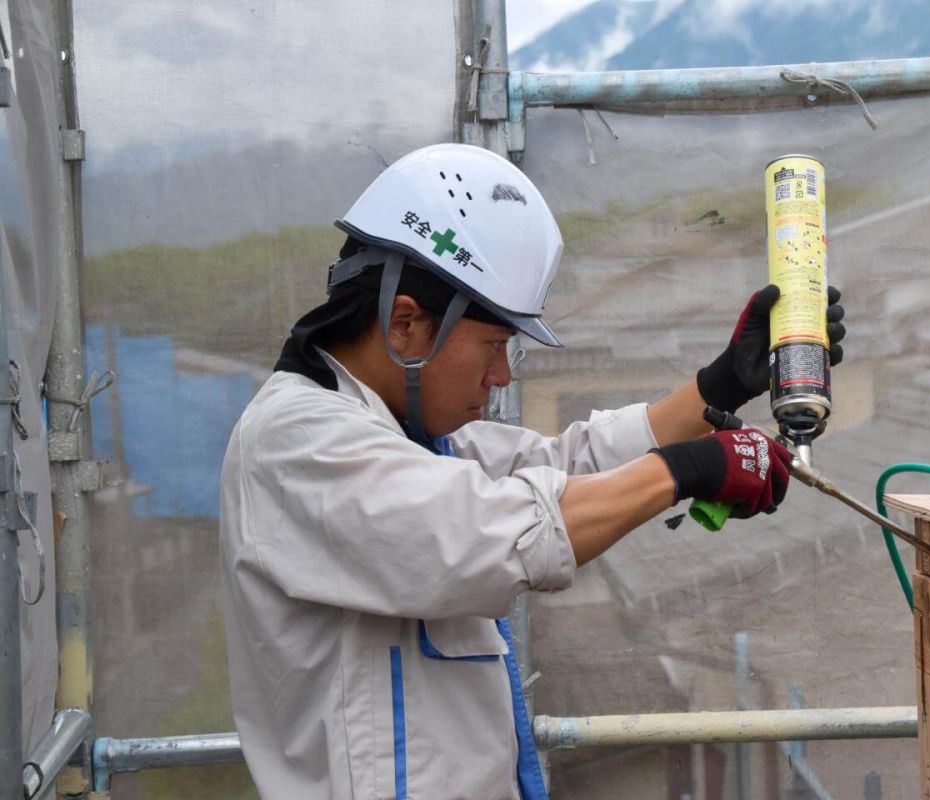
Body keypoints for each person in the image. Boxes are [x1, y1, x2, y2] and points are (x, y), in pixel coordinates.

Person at [219, 143, 845, 800]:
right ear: (406, 324)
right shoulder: (298, 440)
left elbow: (565, 468)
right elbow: (488, 533)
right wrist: (684, 471)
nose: (500, 377)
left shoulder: (407, 439)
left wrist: (719, 385)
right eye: (493, 345)